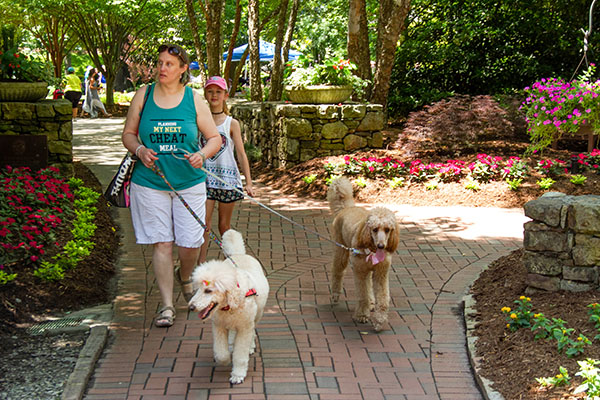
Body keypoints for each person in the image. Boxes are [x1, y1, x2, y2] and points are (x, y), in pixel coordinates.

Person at [121, 44, 221, 328]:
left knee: (190, 243)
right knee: (162, 242)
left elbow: (214, 138)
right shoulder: (144, 95)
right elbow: (128, 134)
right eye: (160, 63)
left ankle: (184, 274)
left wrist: (201, 155)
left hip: (188, 182)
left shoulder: (194, 99)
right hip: (150, 182)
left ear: (182, 70)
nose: (162, 68)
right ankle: (167, 306)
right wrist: (140, 150)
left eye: (169, 64)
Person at [197, 76, 255, 264]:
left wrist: (249, 183)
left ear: (225, 95)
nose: (214, 95)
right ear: (205, 94)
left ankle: (230, 264)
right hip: (205, 179)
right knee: (203, 225)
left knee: (224, 226)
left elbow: (240, 153)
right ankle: (201, 265)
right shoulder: (199, 120)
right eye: (210, 91)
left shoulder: (231, 123)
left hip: (227, 180)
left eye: (218, 92)